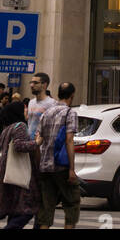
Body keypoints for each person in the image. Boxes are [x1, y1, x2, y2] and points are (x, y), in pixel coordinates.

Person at [36, 82, 81, 230]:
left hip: (45, 167)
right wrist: (72, 169)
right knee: (71, 204)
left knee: (46, 208)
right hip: (61, 167)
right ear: (72, 95)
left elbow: (39, 141)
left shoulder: (46, 113)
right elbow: (69, 140)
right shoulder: (70, 113)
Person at [0, 98, 41, 229]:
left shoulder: (7, 128)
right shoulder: (20, 126)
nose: (27, 110)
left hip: (8, 172)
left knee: (16, 210)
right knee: (28, 209)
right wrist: (37, 142)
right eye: (24, 108)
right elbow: (19, 146)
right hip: (20, 173)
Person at [27, 71, 55, 140]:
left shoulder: (52, 104)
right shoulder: (31, 102)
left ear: (44, 85)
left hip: (43, 144)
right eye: (31, 82)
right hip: (30, 143)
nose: (32, 85)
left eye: (35, 83)